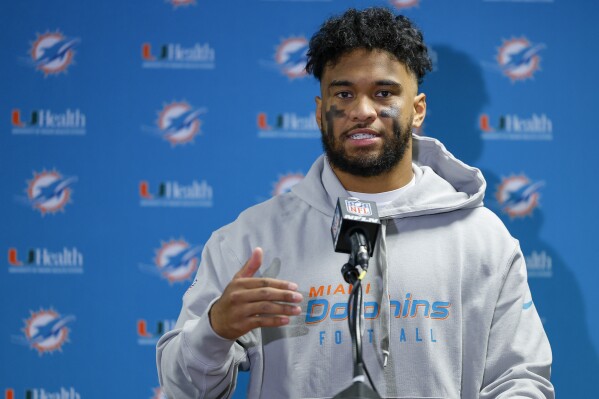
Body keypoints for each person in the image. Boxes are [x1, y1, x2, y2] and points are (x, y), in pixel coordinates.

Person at [156, 7, 554, 399]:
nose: (362, 112)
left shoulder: (481, 238)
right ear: (319, 113)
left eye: (383, 93)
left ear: (417, 111)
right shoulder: (252, 239)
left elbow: (521, 382)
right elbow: (185, 391)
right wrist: (214, 331)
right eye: (344, 94)